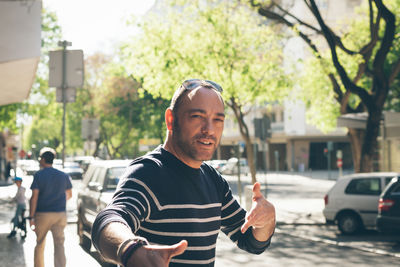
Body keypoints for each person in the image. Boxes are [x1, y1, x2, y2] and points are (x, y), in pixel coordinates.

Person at [91, 79, 276, 267]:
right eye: (197, 116)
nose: (209, 129)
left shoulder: (213, 179)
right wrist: (130, 250)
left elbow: (249, 240)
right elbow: (108, 221)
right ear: (171, 120)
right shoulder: (148, 173)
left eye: (218, 119)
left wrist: (267, 220)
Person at [29, 147, 72, 267]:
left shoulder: (39, 175)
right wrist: (58, 200)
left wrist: (31, 217)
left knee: (40, 243)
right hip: (60, 214)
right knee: (59, 244)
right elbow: (69, 194)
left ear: (43, 159)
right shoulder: (63, 175)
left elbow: (34, 198)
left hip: (43, 214)